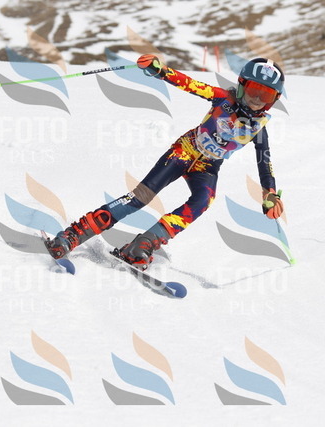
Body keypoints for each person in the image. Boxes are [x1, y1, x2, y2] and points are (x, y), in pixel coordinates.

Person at [45, 54, 285, 269]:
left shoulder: (259, 128)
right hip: (184, 152)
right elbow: (190, 84)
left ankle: (143, 245)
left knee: (203, 201)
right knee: (140, 198)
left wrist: (270, 194)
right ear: (242, 85)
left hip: (208, 168)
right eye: (254, 90)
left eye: (266, 95)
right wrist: (160, 70)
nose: (257, 99)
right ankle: (72, 235)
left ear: (274, 100)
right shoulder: (223, 99)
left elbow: (264, 162)